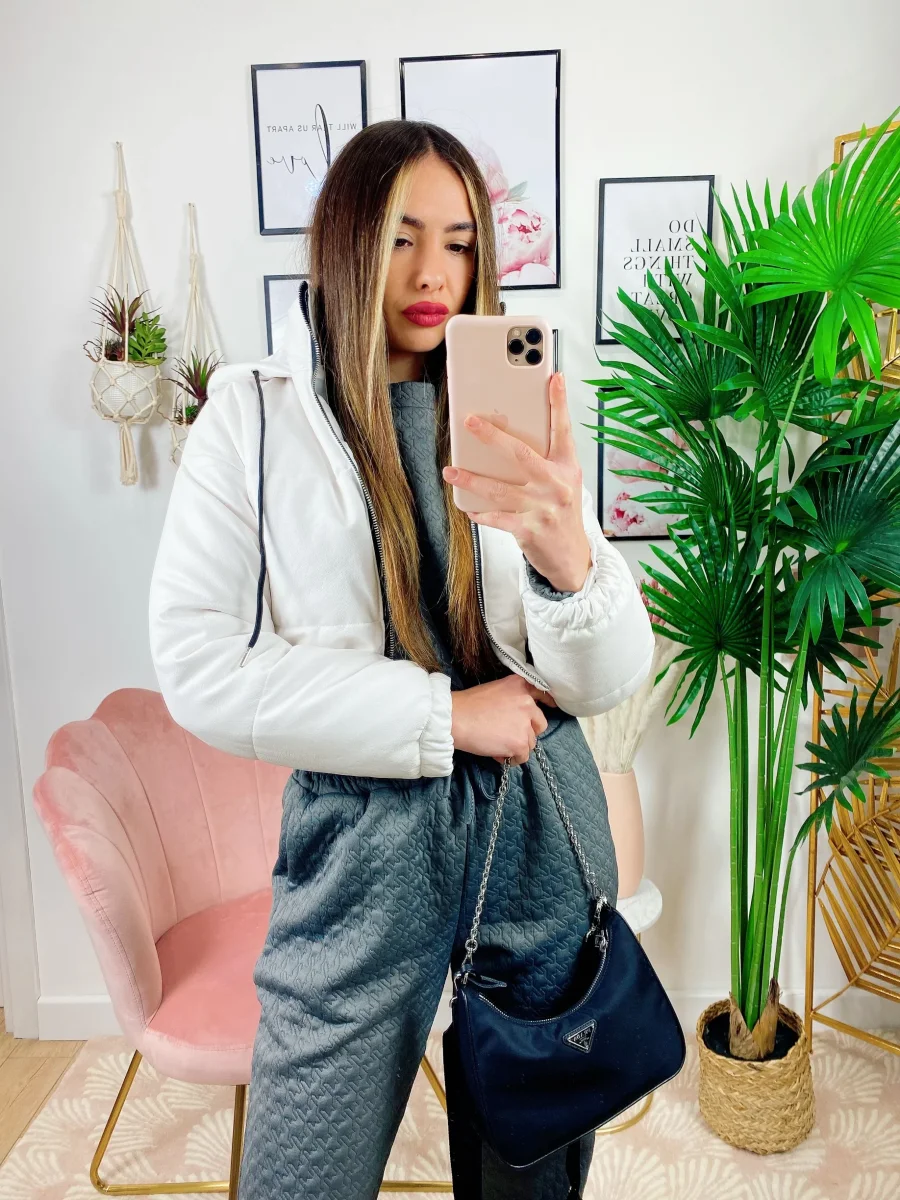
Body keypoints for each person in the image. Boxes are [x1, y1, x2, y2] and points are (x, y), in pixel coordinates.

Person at [149, 119, 655, 1200]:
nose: (435, 275)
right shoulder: (251, 415)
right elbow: (199, 664)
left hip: (535, 818)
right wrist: (445, 716)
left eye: (461, 243)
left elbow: (608, 679)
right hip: (363, 834)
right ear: (346, 242)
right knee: (300, 1176)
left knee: (531, 1174)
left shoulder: (513, 408)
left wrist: (571, 560)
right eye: (401, 238)